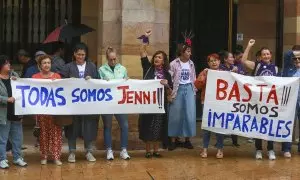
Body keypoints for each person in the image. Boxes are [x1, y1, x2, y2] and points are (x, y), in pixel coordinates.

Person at [61, 43, 99, 163]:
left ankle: (88, 151)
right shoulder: (68, 67)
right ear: (74, 54)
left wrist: (92, 80)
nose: (80, 56)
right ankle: (72, 152)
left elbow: (99, 82)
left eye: (83, 54)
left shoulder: (92, 67)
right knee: (72, 127)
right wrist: (68, 81)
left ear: (86, 55)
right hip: (72, 104)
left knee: (88, 126)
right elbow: (60, 82)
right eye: (78, 54)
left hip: (88, 104)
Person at [241, 39, 278, 160]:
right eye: (264, 54)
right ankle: (258, 149)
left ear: (270, 55)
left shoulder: (276, 68)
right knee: (259, 125)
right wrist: (249, 46)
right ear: (260, 57)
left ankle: (271, 149)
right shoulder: (257, 65)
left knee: (270, 125)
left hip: (271, 102)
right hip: (258, 101)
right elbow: (243, 61)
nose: (266, 56)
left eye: (268, 54)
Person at [138, 30, 172, 158]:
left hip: (160, 103)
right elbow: (142, 51)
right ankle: (147, 150)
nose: (157, 59)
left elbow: (170, 91)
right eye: (156, 57)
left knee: (159, 125)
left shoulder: (167, 74)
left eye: (160, 57)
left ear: (163, 61)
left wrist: (166, 84)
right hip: (148, 101)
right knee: (148, 125)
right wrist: (145, 39)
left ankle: (156, 150)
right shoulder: (148, 68)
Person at [98, 47, 130, 160]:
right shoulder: (101, 70)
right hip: (107, 102)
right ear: (107, 58)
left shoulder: (122, 69)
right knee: (107, 126)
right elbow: (98, 85)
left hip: (120, 102)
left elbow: (128, 83)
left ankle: (124, 150)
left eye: (114, 59)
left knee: (125, 126)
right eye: (111, 59)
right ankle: (109, 150)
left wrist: (128, 80)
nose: (113, 61)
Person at [32, 55, 63, 165]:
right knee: (43, 133)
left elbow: (63, 90)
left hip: (55, 111)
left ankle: (56, 157)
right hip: (42, 111)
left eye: (48, 63)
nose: (47, 65)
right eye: (44, 63)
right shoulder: (35, 77)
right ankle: (44, 156)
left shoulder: (57, 76)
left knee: (56, 133)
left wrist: (56, 83)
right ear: (40, 65)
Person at [168, 40, 197, 151]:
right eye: (188, 51)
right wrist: (170, 92)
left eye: (190, 51)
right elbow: (170, 78)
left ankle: (187, 140)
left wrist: (194, 91)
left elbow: (193, 78)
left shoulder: (191, 63)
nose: (190, 53)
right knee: (175, 114)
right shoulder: (174, 63)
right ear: (182, 52)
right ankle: (173, 141)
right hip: (177, 89)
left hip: (189, 88)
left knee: (189, 114)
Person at [194, 53, 224, 158]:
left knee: (219, 126)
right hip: (206, 102)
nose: (214, 62)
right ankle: (205, 149)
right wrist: (203, 76)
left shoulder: (224, 73)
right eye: (211, 61)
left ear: (219, 62)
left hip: (220, 104)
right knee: (206, 127)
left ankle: (220, 149)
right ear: (208, 63)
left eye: (215, 60)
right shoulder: (205, 72)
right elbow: (197, 85)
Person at [0, 55, 27, 169]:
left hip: (16, 111)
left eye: (9, 63)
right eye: (6, 63)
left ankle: (17, 158)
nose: (9, 65)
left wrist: (18, 80)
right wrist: (6, 99)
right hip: (3, 113)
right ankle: (2, 159)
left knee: (17, 138)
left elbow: (23, 88)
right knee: (3, 138)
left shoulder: (14, 75)